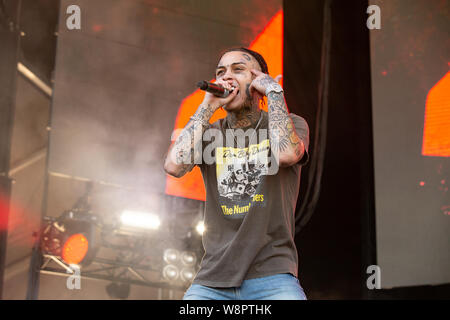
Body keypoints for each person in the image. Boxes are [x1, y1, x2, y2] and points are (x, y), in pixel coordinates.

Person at [164, 47, 310, 300]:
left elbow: (287, 154)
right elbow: (173, 166)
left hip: (272, 276)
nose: (227, 77)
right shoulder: (209, 133)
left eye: (238, 70)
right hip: (212, 281)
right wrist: (206, 107)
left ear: (259, 80)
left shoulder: (293, 123)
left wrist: (274, 92)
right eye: (221, 72)